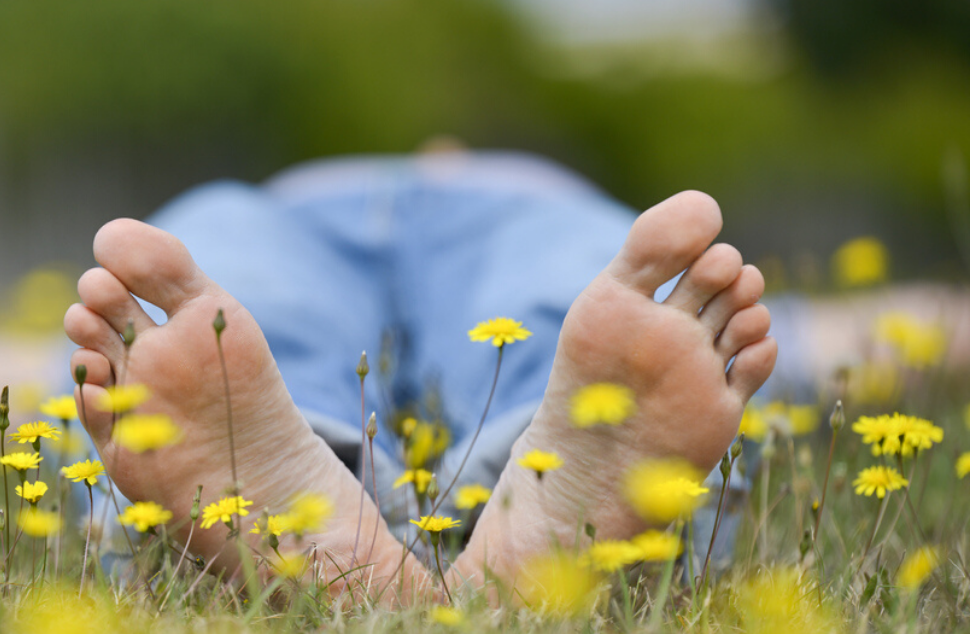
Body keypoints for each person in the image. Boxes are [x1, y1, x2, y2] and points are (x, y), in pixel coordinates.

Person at [62, 149, 778, 598]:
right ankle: (529, 474)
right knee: (554, 299)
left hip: (332, 213)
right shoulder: (524, 176)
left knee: (251, 290)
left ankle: (319, 467)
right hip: (494, 209)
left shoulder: (282, 200)